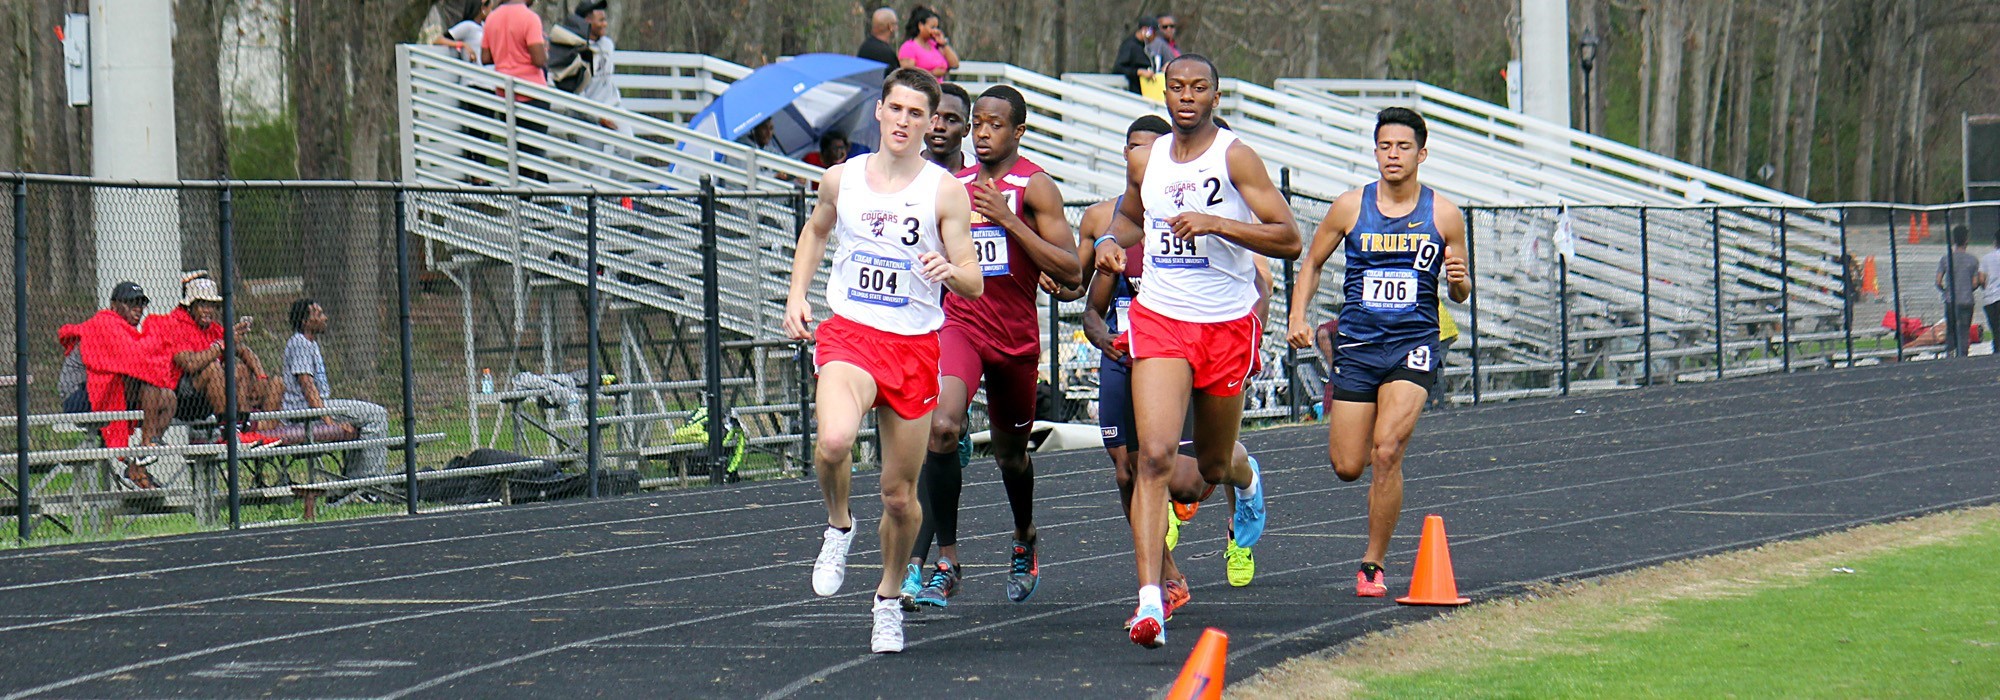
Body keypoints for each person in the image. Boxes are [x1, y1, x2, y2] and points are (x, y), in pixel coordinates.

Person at [1093, 54, 1299, 648]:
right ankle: (1150, 603)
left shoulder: (1235, 156)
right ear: (1165, 94)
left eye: (1198, 88)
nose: (1186, 96)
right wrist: (1109, 241)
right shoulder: (1146, 159)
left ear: (1215, 95)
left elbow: (1288, 236)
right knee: (1153, 459)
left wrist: (1216, 223)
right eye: (1176, 87)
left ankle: (1245, 476)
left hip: (1225, 324)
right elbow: (1130, 219)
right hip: (1159, 318)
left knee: (1205, 471)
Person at [783, 67, 981, 654]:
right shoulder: (841, 180)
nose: (903, 121)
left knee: (900, 497)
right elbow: (815, 233)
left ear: (930, 122)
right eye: (895, 109)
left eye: (917, 114)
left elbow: (972, 277)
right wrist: (798, 294)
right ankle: (839, 524)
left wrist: (951, 271)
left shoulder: (944, 190)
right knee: (835, 442)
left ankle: (888, 598)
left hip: (914, 346)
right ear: (880, 111)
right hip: (851, 333)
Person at [896, 85, 1079, 609]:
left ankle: (1025, 535)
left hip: (1016, 339)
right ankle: (947, 557)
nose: (981, 133)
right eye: (977, 123)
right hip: (963, 325)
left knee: (1011, 456)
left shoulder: (1035, 187)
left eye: (995, 125)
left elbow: (1071, 270)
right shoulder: (953, 185)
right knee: (944, 425)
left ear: (1018, 131)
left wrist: (1007, 219)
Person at [1286, 107, 1470, 599]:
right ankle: (1376, 477)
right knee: (1349, 465)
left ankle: (1373, 562)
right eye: (1385, 146)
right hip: (1360, 346)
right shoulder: (1350, 206)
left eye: (1403, 146)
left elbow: (1462, 289)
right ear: (1375, 152)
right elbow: (1312, 263)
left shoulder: (1443, 213)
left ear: (1421, 154)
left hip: (1413, 344)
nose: (1393, 154)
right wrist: (1297, 316)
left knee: (1387, 451)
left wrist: (1459, 282)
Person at [56, 282, 177, 488]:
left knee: (168, 398)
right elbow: (135, 362)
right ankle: (146, 446)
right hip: (79, 396)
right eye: (131, 302)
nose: (138, 307)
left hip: (108, 392)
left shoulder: (126, 332)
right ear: (114, 305)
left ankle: (138, 466)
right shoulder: (105, 322)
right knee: (147, 376)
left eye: (141, 303)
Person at [148, 275, 284, 449]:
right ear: (191, 305)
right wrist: (221, 346)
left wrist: (261, 376)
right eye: (203, 304)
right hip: (181, 399)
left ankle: (241, 429)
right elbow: (190, 364)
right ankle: (228, 433)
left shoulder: (212, 328)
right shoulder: (176, 324)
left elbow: (243, 351)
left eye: (212, 305)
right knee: (213, 368)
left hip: (208, 399)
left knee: (240, 369)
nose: (208, 310)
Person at [282, 299, 392, 478]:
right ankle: (370, 483)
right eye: (318, 314)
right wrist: (330, 424)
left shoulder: (310, 343)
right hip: (306, 414)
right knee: (376, 415)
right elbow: (308, 388)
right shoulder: (300, 343)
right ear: (305, 321)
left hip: (319, 408)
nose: (325, 318)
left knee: (366, 418)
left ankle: (356, 481)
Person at [1936, 225, 1985, 356]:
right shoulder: (1973, 260)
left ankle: (1950, 355)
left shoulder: (1945, 259)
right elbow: (1975, 283)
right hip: (1966, 301)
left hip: (1951, 300)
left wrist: (1945, 290)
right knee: (1964, 331)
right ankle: (1963, 357)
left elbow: (1938, 281)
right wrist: (1969, 288)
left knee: (1951, 331)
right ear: (1966, 240)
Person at [897, 5, 959, 81]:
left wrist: (943, 44)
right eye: (932, 27)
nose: (936, 31)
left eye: (937, 27)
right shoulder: (908, 47)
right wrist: (932, 74)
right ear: (921, 26)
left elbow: (955, 64)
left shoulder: (935, 45)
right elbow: (908, 76)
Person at [924, 82, 971, 172]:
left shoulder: (982, 176)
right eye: (933, 117)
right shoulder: (902, 170)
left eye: (951, 120)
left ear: (966, 129)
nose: (939, 126)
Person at [1113, 18, 1157, 94]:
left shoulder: (1145, 47)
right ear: (1145, 30)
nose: (1155, 36)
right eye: (1153, 33)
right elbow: (1118, 68)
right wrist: (1138, 72)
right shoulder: (1129, 45)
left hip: (1146, 91)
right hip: (1132, 91)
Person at [856, 6, 900, 74]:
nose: (897, 28)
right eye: (895, 24)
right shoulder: (887, 54)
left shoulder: (864, 48)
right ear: (890, 27)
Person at [1982, 234, 2000, 355]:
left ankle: (1996, 351)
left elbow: (1982, 279)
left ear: (1995, 242)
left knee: (1995, 329)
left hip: (1990, 299)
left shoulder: (1986, 258)